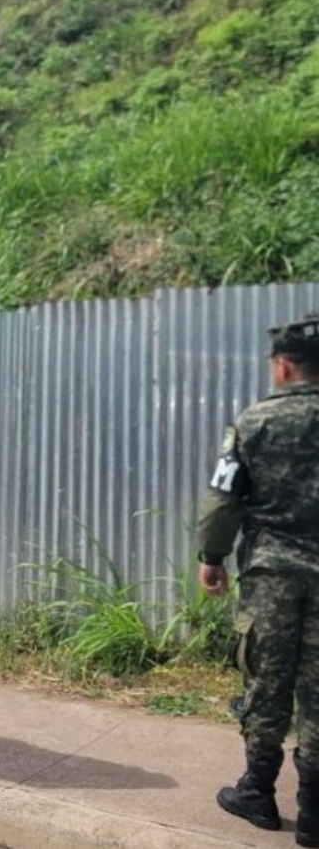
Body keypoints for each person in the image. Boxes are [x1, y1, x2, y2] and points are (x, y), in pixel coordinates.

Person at [198, 313, 319, 845]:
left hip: (271, 574)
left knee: (266, 681)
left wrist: (211, 557)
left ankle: (258, 792)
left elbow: (224, 498)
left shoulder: (254, 423)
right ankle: (315, 813)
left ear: (283, 365)